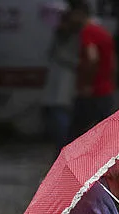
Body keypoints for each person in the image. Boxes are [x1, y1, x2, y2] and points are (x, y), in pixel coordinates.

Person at [67, 0, 116, 142]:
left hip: (92, 92)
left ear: (79, 14)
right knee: (104, 136)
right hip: (106, 91)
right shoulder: (103, 33)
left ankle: (65, 163)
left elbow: (92, 57)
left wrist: (87, 84)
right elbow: (113, 61)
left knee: (74, 134)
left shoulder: (87, 32)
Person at [41, 9, 79, 155]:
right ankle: (62, 147)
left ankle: (63, 147)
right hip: (60, 80)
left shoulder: (73, 37)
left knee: (61, 114)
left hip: (65, 80)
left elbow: (72, 59)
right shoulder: (61, 36)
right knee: (58, 113)